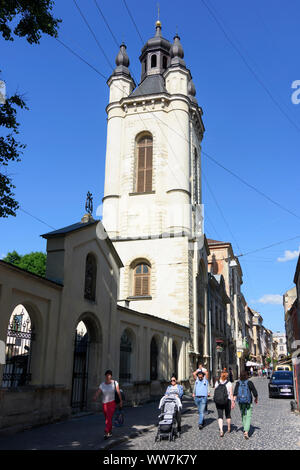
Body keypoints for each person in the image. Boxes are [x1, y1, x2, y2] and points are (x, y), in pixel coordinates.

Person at [93, 370, 123, 439]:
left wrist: (120, 401)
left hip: (112, 403)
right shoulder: (102, 384)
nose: (107, 377)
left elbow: (118, 392)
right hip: (104, 404)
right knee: (107, 418)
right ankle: (110, 431)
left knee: (109, 417)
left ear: (111, 376)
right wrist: (95, 396)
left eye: (109, 375)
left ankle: (106, 431)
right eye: (106, 376)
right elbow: (98, 392)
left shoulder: (115, 383)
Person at [233, 370, 258, 440]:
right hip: (248, 401)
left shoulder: (238, 383)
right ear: (247, 376)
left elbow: (235, 393)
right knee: (248, 416)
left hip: (240, 401)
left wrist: (233, 401)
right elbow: (255, 392)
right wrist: (256, 398)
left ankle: (244, 428)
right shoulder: (249, 382)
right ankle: (246, 431)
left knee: (243, 415)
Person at [214, 371, 234, 437]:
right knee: (228, 415)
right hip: (227, 401)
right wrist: (233, 402)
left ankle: (221, 430)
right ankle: (228, 428)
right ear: (227, 376)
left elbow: (215, 392)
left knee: (220, 415)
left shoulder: (217, 383)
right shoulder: (229, 383)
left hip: (219, 401)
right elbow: (231, 394)